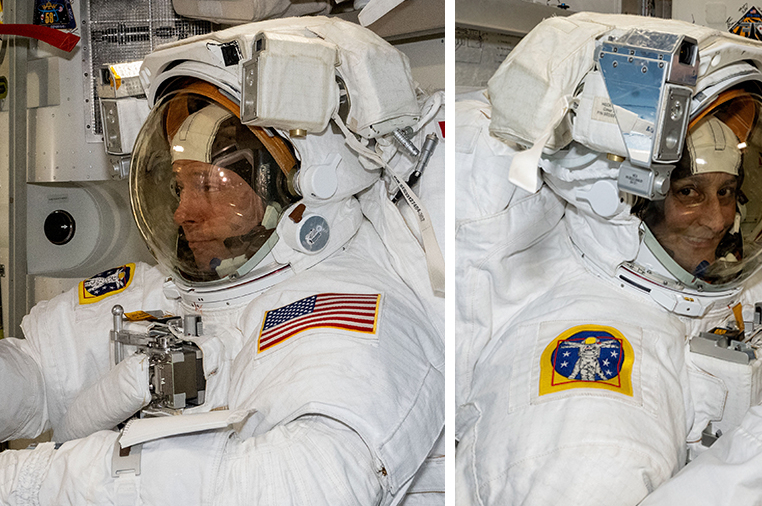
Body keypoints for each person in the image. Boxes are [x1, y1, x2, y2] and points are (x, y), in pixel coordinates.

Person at [0, 16, 445, 505]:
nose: (182, 211)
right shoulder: (161, 291)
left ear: (294, 184)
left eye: (207, 186)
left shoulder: (349, 311)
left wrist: (27, 483)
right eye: (179, 185)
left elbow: (307, 482)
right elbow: (39, 375)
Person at [456, 12, 762, 505]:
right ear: (629, 199)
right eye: (689, 192)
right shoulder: (587, 395)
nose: (718, 219)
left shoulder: (756, 280)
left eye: (728, 191)